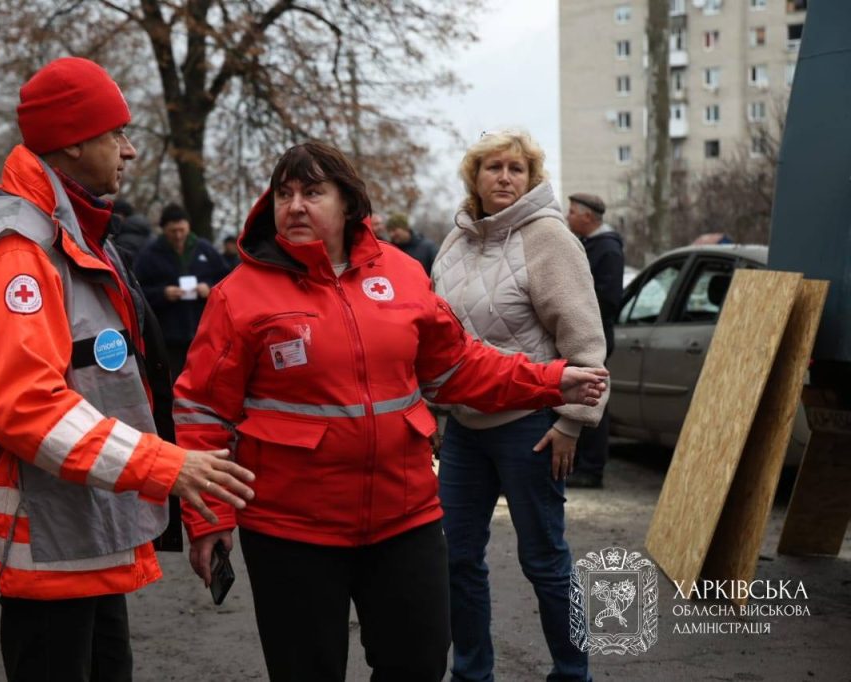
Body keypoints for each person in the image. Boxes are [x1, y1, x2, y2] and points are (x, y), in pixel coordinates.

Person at [172, 140, 607, 682]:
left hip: (404, 518)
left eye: (313, 192)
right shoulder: (240, 295)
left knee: (419, 664)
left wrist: (549, 380)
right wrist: (209, 517)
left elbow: (460, 367)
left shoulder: (401, 273)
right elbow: (201, 409)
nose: (295, 206)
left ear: (348, 202)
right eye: (284, 194)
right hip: (292, 530)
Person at [0, 56, 255, 681]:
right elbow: (26, 406)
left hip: (78, 531)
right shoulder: (21, 249)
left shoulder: (69, 233)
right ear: (73, 140)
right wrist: (167, 467)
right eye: (118, 133)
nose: (130, 149)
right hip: (46, 544)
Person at [432, 130, 608, 682]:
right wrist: (436, 412)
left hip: (530, 426)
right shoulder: (454, 241)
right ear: (474, 178)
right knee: (456, 559)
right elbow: (436, 336)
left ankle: (571, 671)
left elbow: (583, 338)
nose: (505, 177)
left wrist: (572, 424)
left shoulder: (549, 237)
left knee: (545, 561)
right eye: (493, 167)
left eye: (516, 168)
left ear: (530, 178)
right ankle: (472, 673)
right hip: (464, 426)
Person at [566, 192, 625, 489]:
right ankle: (579, 463)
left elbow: (609, 299)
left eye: (572, 212)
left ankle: (591, 468)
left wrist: (581, 314)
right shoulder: (589, 246)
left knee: (593, 398)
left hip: (596, 335)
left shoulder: (607, 250)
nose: (568, 216)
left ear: (587, 217)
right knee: (580, 394)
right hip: (586, 333)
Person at [133, 203, 230, 380]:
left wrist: (209, 289)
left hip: (203, 331)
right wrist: (162, 293)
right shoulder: (149, 254)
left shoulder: (205, 249)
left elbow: (227, 280)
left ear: (188, 227)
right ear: (163, 230)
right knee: (175, 381)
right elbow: (137, 291)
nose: (178, 236)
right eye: (173, 231)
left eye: (182, 230)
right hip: (169, 336)